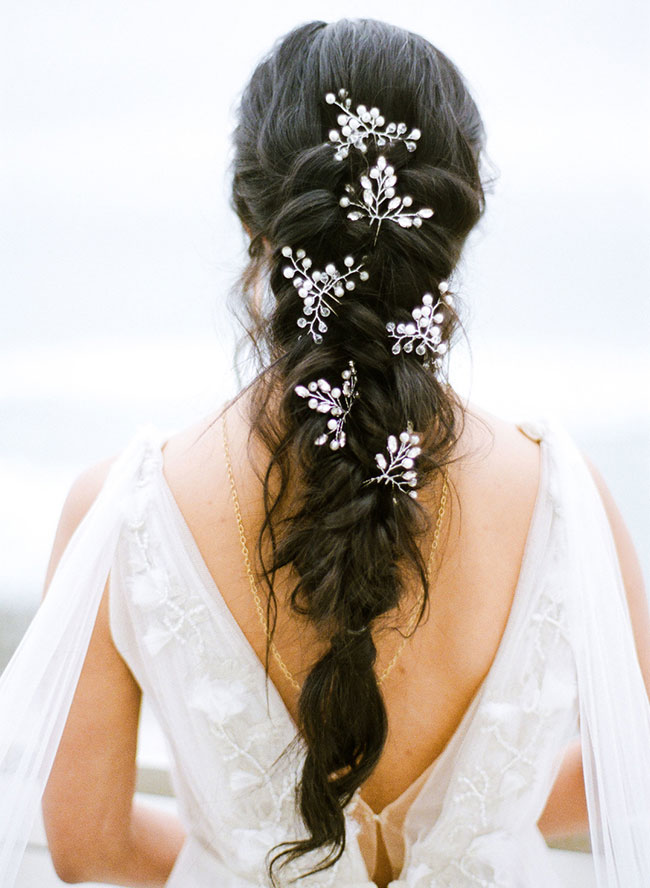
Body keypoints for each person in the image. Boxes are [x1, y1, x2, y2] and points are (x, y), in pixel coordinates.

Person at [1, 17, 649, 888]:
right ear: (456, 223)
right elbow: (634, 761)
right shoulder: (566, 495)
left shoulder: (120, 510)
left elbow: (86, 844)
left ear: (252, 217)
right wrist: (489, 819)